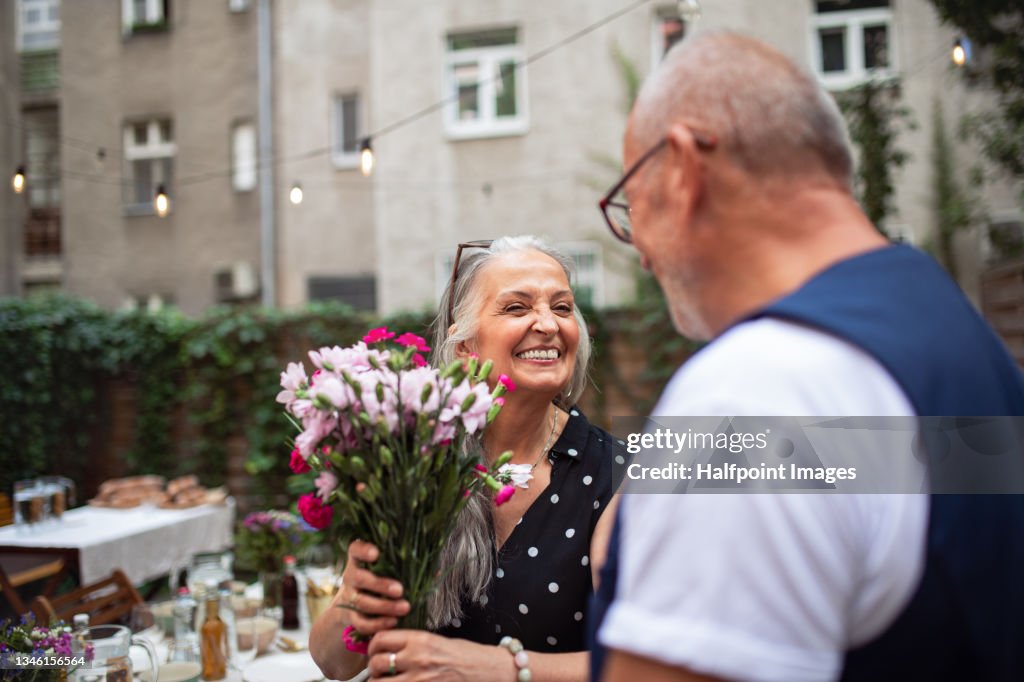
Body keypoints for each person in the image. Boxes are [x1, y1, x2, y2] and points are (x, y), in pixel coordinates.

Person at [590, 31, 1024, 682]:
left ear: (681, 169)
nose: (639, 249)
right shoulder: (953, 326)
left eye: (629, 204)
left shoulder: (750, 400)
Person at [310, 235, 622, 681]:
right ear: (464, 346)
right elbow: (333, 663)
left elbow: (641, 667)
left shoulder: (613, 477)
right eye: (517, 307)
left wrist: (501, 668)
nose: (548, 324)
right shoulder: (415, 460)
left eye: (562, 307)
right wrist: (355, 604)